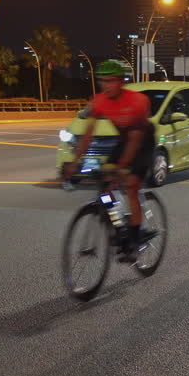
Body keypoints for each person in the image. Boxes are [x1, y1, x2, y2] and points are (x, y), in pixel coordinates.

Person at [66, 59, 158, 248]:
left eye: (111, 81)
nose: (106, 86)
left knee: (131, 185)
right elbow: (88, 134)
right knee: (105, 185)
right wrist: (75, 162)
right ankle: (117, 222)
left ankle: (135, 236)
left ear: (122, 82)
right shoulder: (99, 101)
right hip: (124, 140)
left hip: (143, 141)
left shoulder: (138, 101)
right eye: (103, 81)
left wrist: (122, 167)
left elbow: (136, 139)